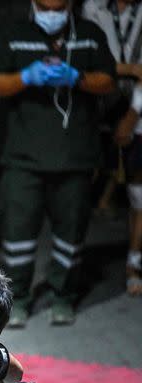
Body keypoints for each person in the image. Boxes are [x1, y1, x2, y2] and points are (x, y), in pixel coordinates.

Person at [0, 0, 116, 327]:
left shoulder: (89, 35)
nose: (51, 12)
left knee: (70, 235)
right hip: (23, 157)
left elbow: (109, 81)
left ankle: (63, 296)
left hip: (75, 156)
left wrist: (78, 77)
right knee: (17, 237)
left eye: (58, 6)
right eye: (45, 6)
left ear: (71, 5)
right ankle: (18, 300)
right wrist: (27, 77)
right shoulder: (14, 35)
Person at [82, 0, 142, 296]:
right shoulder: (92, 7)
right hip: (94, 105)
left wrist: (133, 115)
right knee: (84, 180)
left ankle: (133, 264)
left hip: (137, 108)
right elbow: (83, 59)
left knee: (139, 195)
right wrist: (127, 68)